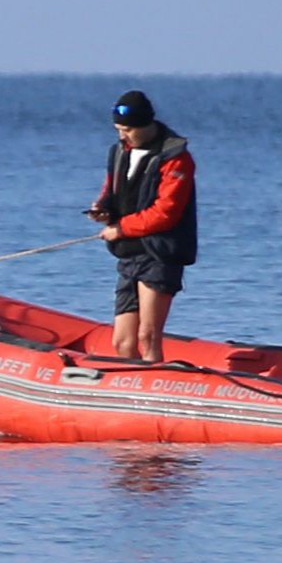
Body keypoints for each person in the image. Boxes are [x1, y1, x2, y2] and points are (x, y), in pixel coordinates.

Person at [87, 89, 198, 362]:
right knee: (123, 342)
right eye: (118, 129)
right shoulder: (119, 152)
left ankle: (155, 388)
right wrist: (103, 209)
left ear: (145, 125)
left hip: (160, 253)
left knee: (147, 337)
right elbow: (111, 189)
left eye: (127, 130)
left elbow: (165, 213)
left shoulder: (176, 157)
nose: (122, 136)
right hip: (129, 253)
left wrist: (121, 228)